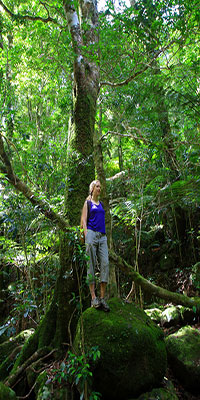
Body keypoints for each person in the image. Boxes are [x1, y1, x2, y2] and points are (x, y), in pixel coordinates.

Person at [81, 180, 110, 312]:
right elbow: (83, 220)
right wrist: (86, 235)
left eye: (100, 186)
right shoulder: (88, 203)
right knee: (91, 264)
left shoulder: (102, 204)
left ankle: (102, 298)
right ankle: (94, 298)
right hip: (91, 235)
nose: (99, 188)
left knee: (105, 263)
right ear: (92, 188)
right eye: (97, 186)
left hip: (102, 236)